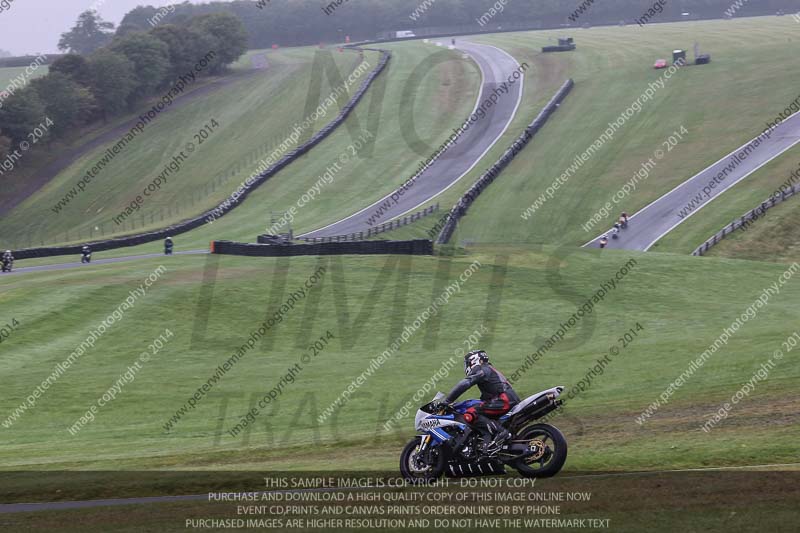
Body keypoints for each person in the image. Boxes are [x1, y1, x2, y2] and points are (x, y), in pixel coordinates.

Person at [437, 350, 520, 455]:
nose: (466, 366)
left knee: (471, 413)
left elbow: (465, 383)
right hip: (506, 399)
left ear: (474, 361)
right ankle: (488, 440)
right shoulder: (490, 370)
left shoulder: (481, 369)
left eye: (467, 363)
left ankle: (502, 433)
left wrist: (447, 401)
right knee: (479, 409)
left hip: (503, 400)